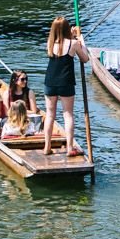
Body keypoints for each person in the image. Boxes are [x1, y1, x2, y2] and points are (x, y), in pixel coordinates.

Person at [42, 17, 89, 157]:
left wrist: (73, 37)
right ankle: (69, 148)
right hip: (66, 82)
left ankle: (47, 146)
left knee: (50, 115)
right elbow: (85, 59)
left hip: (50, 81)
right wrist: (80, 39)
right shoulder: (73, 43)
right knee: (67, 114)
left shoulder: (50, 43)